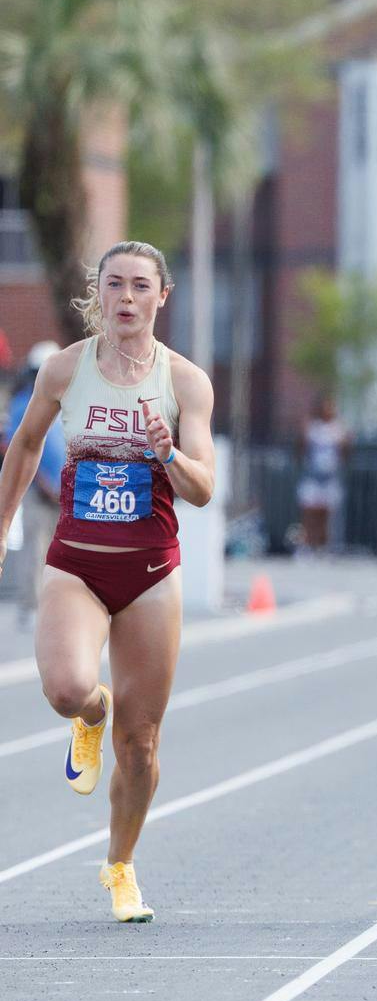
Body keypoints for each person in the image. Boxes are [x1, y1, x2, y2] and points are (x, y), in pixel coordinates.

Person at [0, 242, 217, 922]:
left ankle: (120, 865)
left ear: (162, 295)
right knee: (66, 687)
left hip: (151, 572)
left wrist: (167, 450)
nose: (126, 297)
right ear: (100, 294)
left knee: (143, 744)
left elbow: (204, 489)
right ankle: (89, 717)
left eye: (140, 286)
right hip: (77, 563)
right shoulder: (67, 369)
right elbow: (26, 444)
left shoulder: (186, 383)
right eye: (114, 284)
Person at [7, 342, 66, 625]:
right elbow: (22, 447)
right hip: (37, 490)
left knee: (58, 552)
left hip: (62, 491)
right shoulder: (24, 403)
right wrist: (45, 485)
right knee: (35, 547)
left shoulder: (65, 403)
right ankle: (30, 606)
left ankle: (52, 606)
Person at [296, 394, 347, 555]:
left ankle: (323, 547)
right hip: (313, 476)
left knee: (326, 514)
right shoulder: (313, 428)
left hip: (329, 477)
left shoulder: (338, 429)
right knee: (309, 512)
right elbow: (300, 449)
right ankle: (307, 546)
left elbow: (345, 453)